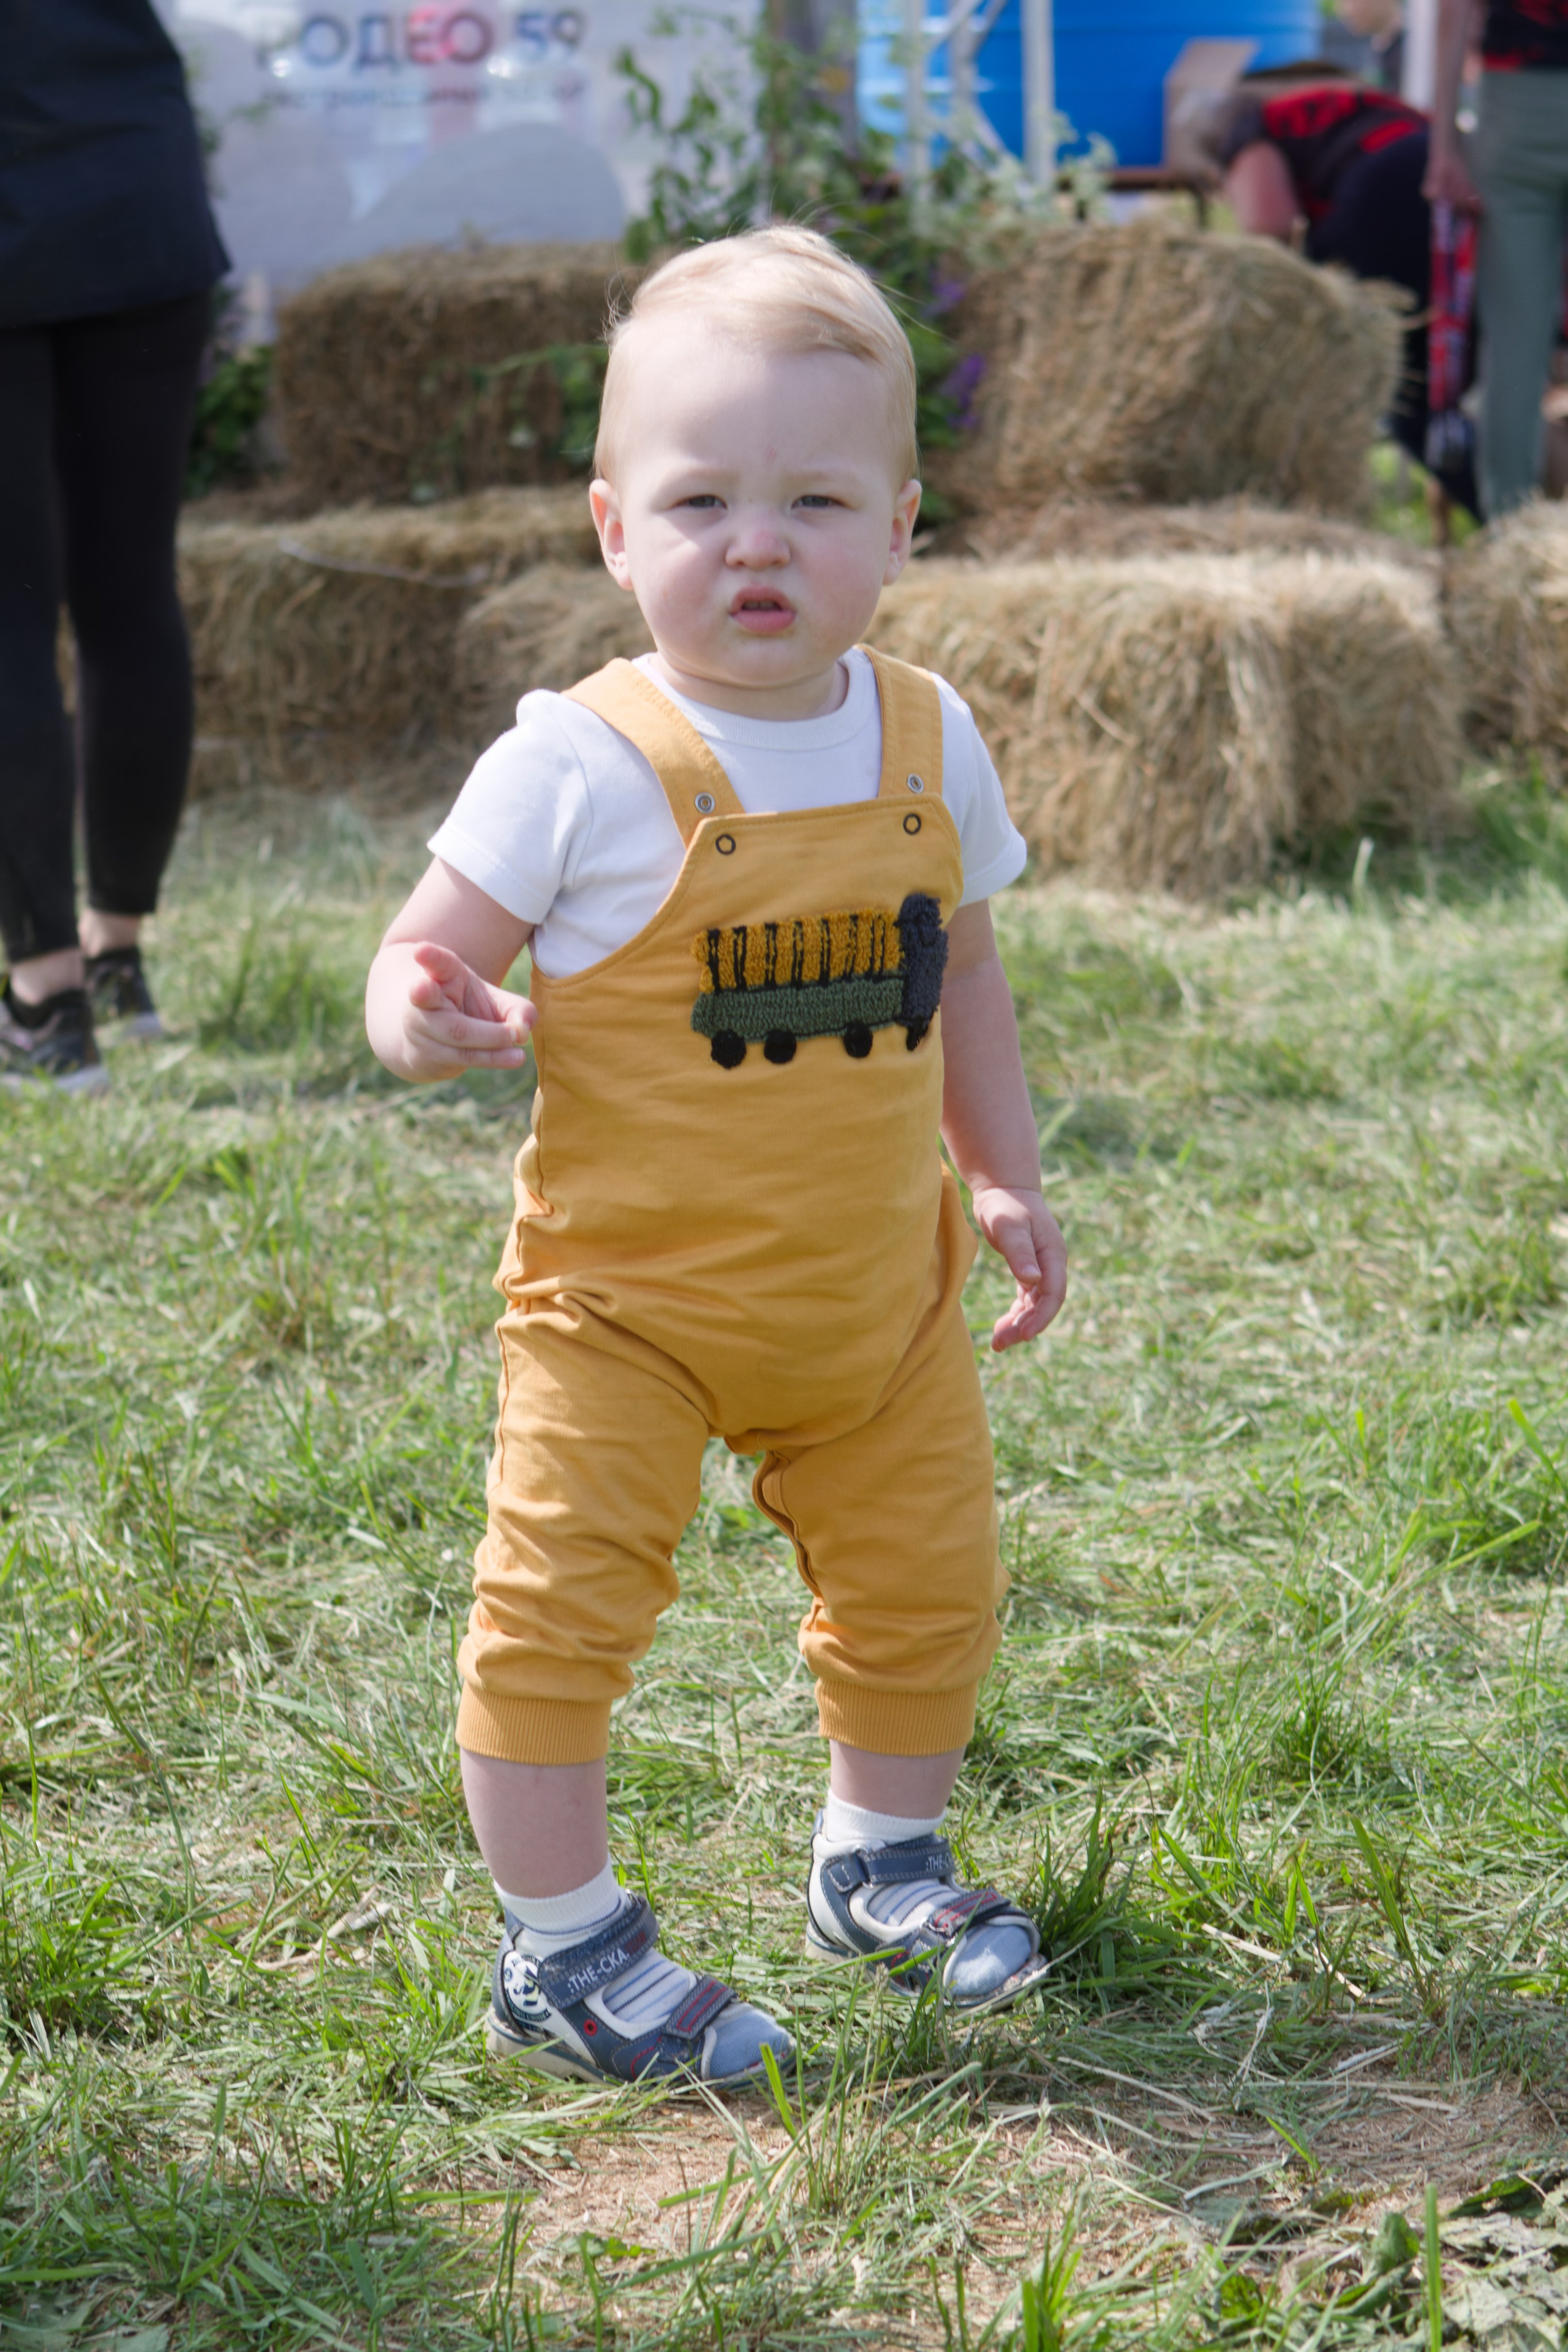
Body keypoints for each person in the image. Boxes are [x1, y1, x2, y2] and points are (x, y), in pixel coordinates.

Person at [365, 227, 1069, 2087]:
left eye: (813, 499)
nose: (755, 542)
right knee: (556, 1611)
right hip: (627, 1313)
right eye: (700, 501)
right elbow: (419, 950)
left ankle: (878, 1858)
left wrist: (998, 1170)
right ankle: (563, 1942)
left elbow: (961, 969)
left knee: (929, 1585)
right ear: (614, 528)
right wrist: (418, 1007)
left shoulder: (927, 737)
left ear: (898, 526)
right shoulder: (576, 760)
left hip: (875, 1296)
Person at [0, 0, 229, 1091]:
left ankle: (48, 1001)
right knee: (132, 598)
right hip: (136, 195)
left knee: (11, 619)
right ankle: (115, 961)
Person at [1197, 75, 1482, 517]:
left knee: (1405, 390)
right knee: (1474, 368)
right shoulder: (1334, 103)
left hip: (1380, 196)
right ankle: (1529, 504)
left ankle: (1502, 513)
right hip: (1454, 184)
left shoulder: (1248, 130)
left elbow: (1271, 230)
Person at [1428, 0, 1568, 518]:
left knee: (1513, 349)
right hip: (1513, 108)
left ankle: (1511, 533)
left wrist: (1443, 144)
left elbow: (1453, 14)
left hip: (1513, 108)